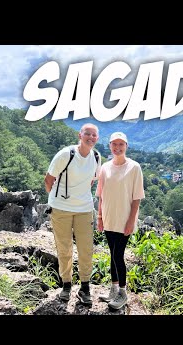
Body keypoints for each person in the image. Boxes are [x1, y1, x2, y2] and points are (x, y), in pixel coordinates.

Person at [44, 123, 101, 305]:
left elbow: (91, 180)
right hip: (61, 208)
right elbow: (49, 179)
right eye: (87, 134)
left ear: (97, 138)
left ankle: (85, 287)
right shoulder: (66, 154)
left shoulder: (96, 157)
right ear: (80, 135)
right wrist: (56, 199)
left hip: (84, 209)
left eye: (94, 135)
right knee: (64, 247)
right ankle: (66, 285)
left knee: (86, 249)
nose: (90, 137)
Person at [96, 131, 145, 310]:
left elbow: (137, 198)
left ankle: (123, 294)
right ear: (109, 146)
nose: (117, 148)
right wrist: (99, 217)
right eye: (114, 144)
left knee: (118, 255)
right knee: (112, 254)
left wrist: (131, 221)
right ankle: (113, 289)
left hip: (124, 219)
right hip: (109, 217)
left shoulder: (134, 167)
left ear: (126, 146)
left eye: (121, 144)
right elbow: (101, 195)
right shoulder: (105, 168)